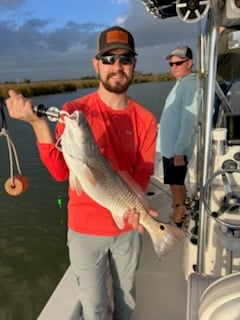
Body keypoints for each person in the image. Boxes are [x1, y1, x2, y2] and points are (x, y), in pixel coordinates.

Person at [5, 26, 157, 320]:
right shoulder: (74, 111)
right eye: (108, 58)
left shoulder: (146, 119)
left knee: (127, 299)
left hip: (127, 228)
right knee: (94, 307)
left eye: (125, 59)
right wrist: (38, 125)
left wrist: (137, 207)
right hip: (84, 230)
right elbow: (62, 172)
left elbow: (144, 171)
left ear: (135, 64)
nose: (117, 66)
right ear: (95, 63)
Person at [156, 45, 199, 227]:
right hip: (170, 147)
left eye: (178, 63)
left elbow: (189, 120)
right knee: (175, 182)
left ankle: (178, 216)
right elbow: (176, 115)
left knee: (176, 183)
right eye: (171, 63)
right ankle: (181, 208)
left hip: (176, 149)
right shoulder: (181, 83)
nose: (174, 67)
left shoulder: (190, 85)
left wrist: (180, 151)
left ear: (189, 63)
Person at [213, 26, 240, 127]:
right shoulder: (237, 35)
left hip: (222, 80)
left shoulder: (223, 39)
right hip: (236, 77)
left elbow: (214, 60)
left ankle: (213, 128)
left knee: (214, 107)